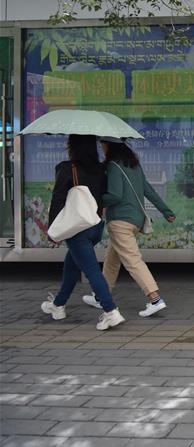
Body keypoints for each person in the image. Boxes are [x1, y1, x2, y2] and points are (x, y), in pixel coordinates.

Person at [41, 135, 125, 331]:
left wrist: (52, 229)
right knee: (72, 265)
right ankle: (58, 305)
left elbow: (58, 199)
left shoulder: (66, 168)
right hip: (95, 226)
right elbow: (103, 197)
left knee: (91, 271)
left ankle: (111, 311)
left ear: (72, 146)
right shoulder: (100, 169)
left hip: (76, 229)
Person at [83, 139, 175, 317]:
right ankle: (101, 296)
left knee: (133, 260)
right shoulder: (134, 166)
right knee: (112, 258)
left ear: (109, 147)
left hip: (120, 221)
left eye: (103, 145)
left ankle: (155, 299)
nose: (101, 147)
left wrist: (96, 201)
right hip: (135, 221)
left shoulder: (113, 166)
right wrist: (166, 211)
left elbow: (115, 195)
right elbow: (148, 190)